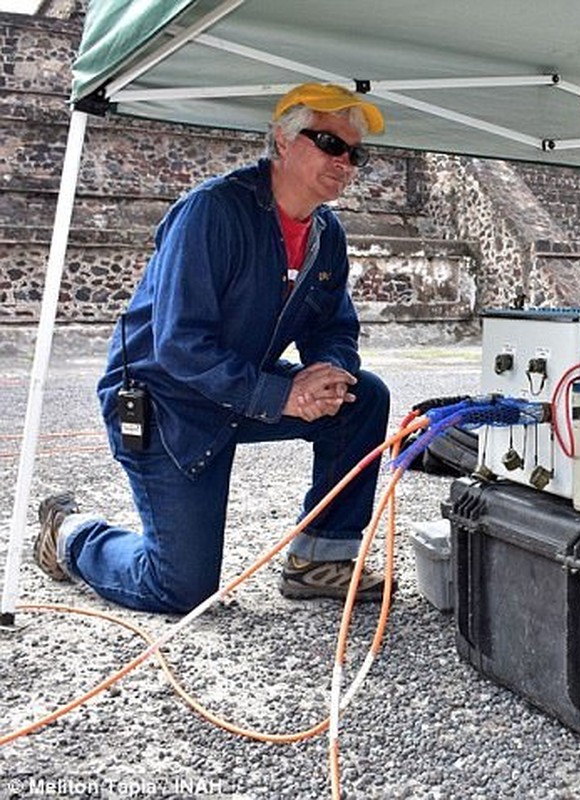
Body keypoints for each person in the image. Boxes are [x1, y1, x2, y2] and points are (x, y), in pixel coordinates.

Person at [33, 83, 392, 613]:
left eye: (354, 153)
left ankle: (321, 559)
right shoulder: (212, 212)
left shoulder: (326, 234)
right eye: (330, 144)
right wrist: (280, 395)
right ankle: (71, 535)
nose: (346, 162)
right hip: (166, 403)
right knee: (181, 590)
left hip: (238, 390)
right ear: (283, 140)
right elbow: (178, 345)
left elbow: (334, 326)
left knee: (362, 398)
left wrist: (329, 371)